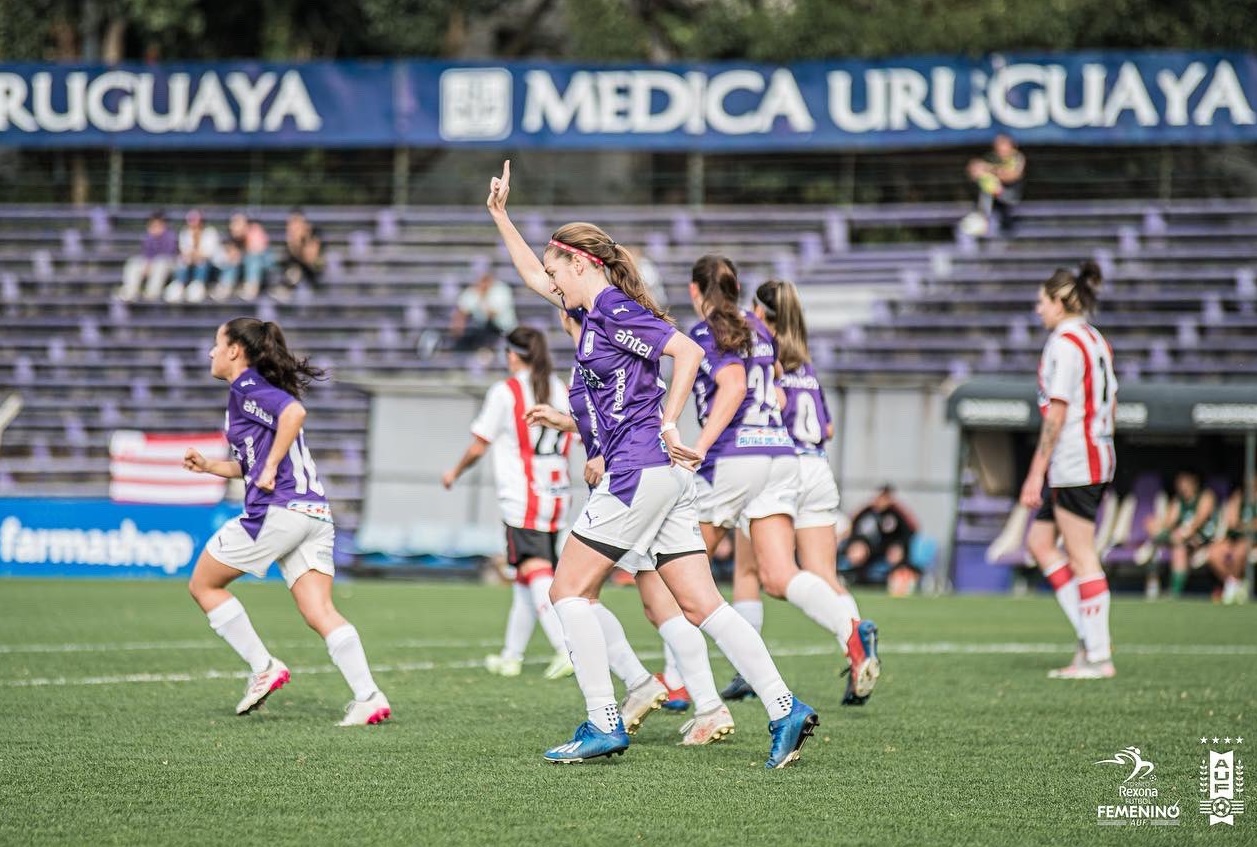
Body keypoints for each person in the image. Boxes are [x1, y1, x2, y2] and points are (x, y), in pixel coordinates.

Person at [487, 160, 817, 768]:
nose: (550, 278)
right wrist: (501, 216)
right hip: (661, 476)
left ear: (581, 264)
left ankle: (602, 721)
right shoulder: (593, 315)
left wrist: (667, 421)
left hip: (641, 470)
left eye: (559, 266)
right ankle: (784, 707)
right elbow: (534, 276)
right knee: (702, 606)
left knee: (567, 591)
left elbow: (687, 351)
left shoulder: (610, 307)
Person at [527, 313, 736, 746]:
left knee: (576, 592)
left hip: (632, 480)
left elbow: (629, 413)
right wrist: (567, 422)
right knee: (661, 606)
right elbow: (613, 413)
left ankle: (639, 690)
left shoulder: (603, 340)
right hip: (642, 475)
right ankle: (706, 704)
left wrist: (603, 455)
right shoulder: (593, 349)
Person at [685, 257, 878, 707]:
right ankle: (850, 629)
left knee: (683, 572)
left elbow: (737, 388)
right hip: (787, 457)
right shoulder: (767, 334)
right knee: (780, 575)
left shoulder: (708, 330)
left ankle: (683, 685)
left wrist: (696, 443)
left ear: (697, 291)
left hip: (737, 456)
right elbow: (778, 391)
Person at [183, 317, 390, 725]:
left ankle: (263, 666)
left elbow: (294, 413)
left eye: (216, 343)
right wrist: (210, 466)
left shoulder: (247, 387)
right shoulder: (253, 394)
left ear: (234, 351)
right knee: (319, 611)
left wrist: (271, 465)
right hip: (313, 513)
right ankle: (369, 696)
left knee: (203, 584)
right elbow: (251, 464)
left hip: (278, 511)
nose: (210, 352)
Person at [441, 326, 575, 681]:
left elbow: (478, 444)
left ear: (513, 355)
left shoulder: (507, 391)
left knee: (534, 570)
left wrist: (454, 471)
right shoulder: (558, 387)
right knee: (524, 578)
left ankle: (567, 648)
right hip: (558, 490)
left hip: (524, 494)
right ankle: (511, 655)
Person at [1019, 260, 1117, 680]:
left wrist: (1035, 471)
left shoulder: (1064, 342)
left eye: (1042, 301)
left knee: (1081, 555)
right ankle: (1087, 637)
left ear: (1060, 301)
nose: (1038, 309)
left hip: (1076, 460)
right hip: (1091, 454)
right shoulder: (1093, 338)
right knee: (1041, 542)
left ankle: (1098, 656)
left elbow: (1057, 413)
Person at [1139, 470, 1218, 599]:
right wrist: (1156, 526)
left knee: (1179, 548)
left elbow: (1198, 522)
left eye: (1184, 481)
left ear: (1194, 482)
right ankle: (1152, 587)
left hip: (1202, 537)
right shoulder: (1178, 500)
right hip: (1181, 538)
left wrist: (1182, 533)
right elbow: (1168, 523)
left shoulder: (1205, 496)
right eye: (1179, 482)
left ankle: (1175, 592)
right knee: (1157, 542)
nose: (1181, 485)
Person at [843, 485, 920, 587]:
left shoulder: (896, 513)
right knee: (858, 552)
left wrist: (899, 546)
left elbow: (912, 528)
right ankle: (855, 578)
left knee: (895, 554)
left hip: (889, 548)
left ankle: (894, 580)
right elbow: (852, 524)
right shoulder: (867, 511)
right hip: (870, 548)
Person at [1206, 478, 1255, 604]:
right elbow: (1232, 522)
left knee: (1239, 552)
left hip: (1252, 539)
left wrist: (1245, 526)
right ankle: (1235, 583)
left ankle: (1233, 587)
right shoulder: (1239, 496)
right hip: (1235, 537)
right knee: (1214, 553)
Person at [965, 134, 1025, 236]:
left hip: (1010, 195)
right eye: (998, 145)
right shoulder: (991, 158)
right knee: (987, 184)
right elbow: (974, 171)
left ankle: (988, 219)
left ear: (1011, 146)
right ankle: (982, 217)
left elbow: (1012, 176)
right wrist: (977, 169)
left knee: (992, 186)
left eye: (1003, 144)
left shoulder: (1016, 157)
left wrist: (989, 170)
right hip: (992, 197)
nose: (1000, 148)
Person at [117, 210, 177, 302]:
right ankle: (130, 291)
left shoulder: (170, 236)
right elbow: (146, 253)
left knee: (160, 263)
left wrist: (151, 263)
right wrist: (148, 263)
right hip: (152, 263)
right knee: (134, 263)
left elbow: (168, 253)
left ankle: (152, 293)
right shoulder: (149, 236)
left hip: (168, 263)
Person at [451, 270, 519, 353]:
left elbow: (491, 315)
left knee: (485, 330)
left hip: (503, 328)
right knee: (464, 340)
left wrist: (482, 297)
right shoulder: (473, 291)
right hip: (484, 328)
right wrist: (459, 326)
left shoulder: (501, 290)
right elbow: (461, 312)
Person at [165, 209, 221, 304]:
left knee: (201, 263)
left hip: (208, 265)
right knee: (182, 261)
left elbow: (210, 253)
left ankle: (197, 285)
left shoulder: (210, 232)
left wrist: (196, 254)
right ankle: (179, 285)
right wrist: (192, 256)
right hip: (190, 262)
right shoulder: (185, 232)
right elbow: (184, 251)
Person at [276, 209, 324, 299]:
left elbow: (310, 260)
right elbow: (286, 259)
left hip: (313, 273)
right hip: (298, 274)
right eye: (290, 223)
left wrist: (296, 244)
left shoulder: (312, 235)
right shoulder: (289, 238)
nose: (292, 227)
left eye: (295, 222)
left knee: (295, 272)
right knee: (293, 271)